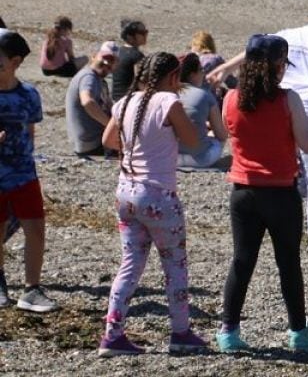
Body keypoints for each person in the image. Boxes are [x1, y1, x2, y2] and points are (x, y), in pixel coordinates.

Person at [217, 34, 308, 354]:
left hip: (243, 190)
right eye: (283, 63)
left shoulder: (231, 99)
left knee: (242, 261)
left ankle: (229, 330)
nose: (285, 69)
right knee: (288, 263)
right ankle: (298, 331)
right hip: (281, 193)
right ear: (275, 66)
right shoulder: (288, 99)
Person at [209, 0, 308, 251]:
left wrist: (227, 68)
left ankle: (278, 216)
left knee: (287, 161)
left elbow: (255, 50)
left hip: (283, 101)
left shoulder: (290, 34)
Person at [98, 52, 208, 357]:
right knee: (174, 265)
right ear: (173, 77)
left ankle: (112, 334)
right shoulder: (168, 103)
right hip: (158, 195)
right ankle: (181, 332)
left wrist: (140, 144)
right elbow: (192, 141)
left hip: (126, 193)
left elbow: (108, 140)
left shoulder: (123, 103)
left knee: (130, 263)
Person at [0, 30, 57, 313]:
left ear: (15, 61)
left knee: (35, 228)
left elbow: (30, 131)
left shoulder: (28, 94)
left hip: (23, 172)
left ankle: (31, 290)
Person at [65, 41, 119, 158]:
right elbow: (88, 102)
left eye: (112, 61)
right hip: (92, 144)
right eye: (105, 58)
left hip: (89, 142)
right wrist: (112, 126)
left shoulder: (98, 80)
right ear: (94, 56)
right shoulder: (88, 77)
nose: (107, 63)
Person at [176, 53, 228, 169]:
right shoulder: (205, 95)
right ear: (192, 75)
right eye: (201, 69)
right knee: (215, 136)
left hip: (172, 158)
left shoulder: (168, 93)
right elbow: (221, 135)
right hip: (202, 159)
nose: (203, 73)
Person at [112, 19, 149, 103]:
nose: (146, 35)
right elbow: (140, 80)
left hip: (116, 100)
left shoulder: (119, 51)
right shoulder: (136, 55)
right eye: (142, 33)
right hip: (130, 101)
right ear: (130, 37)